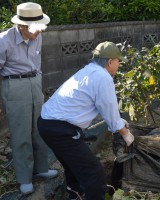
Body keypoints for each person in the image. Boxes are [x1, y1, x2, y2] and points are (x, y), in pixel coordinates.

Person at [37, 41, 135, 200]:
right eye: (118, 61)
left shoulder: (88, 71)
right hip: (60, 128)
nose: (119, 64)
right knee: (94, 172)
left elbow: (107, 110)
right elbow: (110, 112)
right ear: (110, 61)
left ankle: (75, 194)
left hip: (46, 123)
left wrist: (119, 123)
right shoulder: (103, 77)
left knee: (72, 165)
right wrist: (125, 133)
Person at [0, 2, 58, 195]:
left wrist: (38, 88)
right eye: (36, 29)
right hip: (14, 86)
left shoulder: (37, 35)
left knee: (40, 128)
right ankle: (24, 178)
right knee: (21, 133)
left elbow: (37, 63)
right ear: (22, 26)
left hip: (34, 82)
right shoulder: (3, 41)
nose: (39, 33)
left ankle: (41, 169)